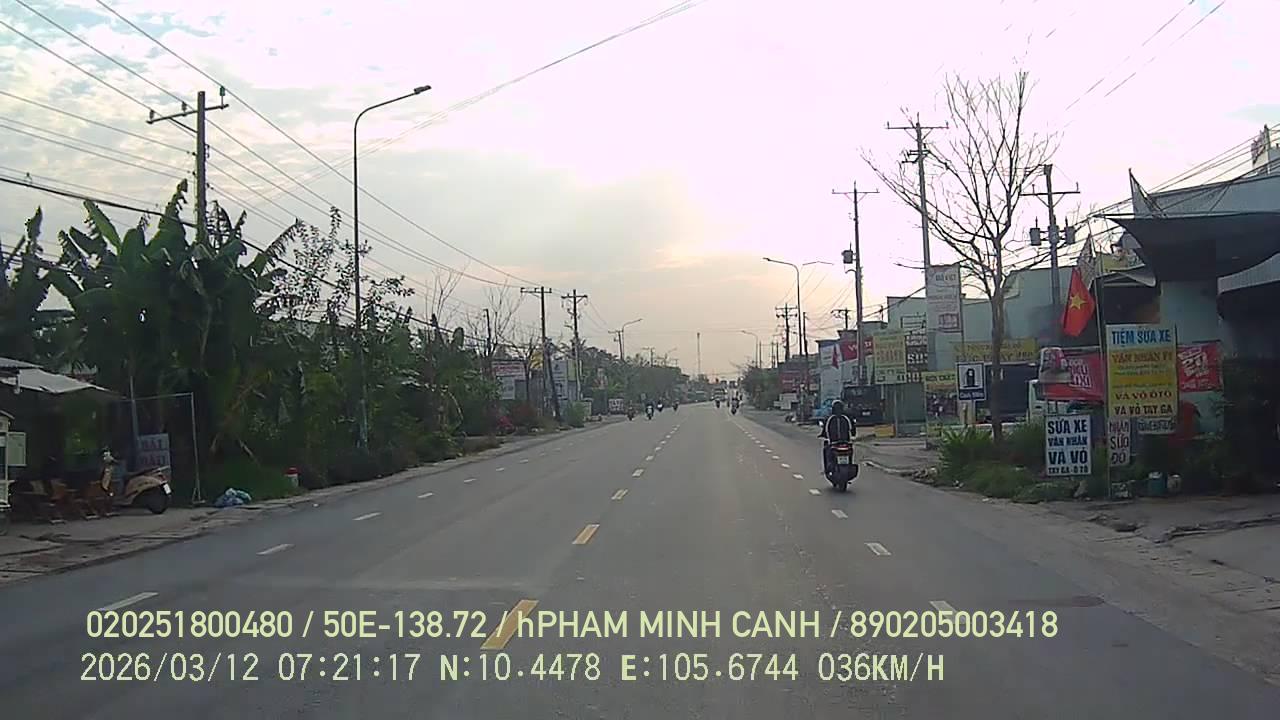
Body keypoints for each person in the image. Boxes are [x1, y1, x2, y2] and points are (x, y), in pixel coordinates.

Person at [819, 399, 856, 475]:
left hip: (834, 443)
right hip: (845, 443)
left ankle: (828, 467)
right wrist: (852, 435)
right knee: (850, 451)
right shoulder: (847, 418)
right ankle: (849, 463)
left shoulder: (829, 418)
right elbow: (853, 430)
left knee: (826, 450)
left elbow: (825, 430)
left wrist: (823, 435)